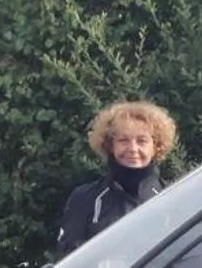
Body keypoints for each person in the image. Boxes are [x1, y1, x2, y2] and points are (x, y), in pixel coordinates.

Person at [54, 100, 177, 256]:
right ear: (110, 145)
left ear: (156, 146)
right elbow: (68, 261)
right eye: (123, 140)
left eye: (142, 141)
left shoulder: (174, 197)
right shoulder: (85, 199)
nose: (132, 149)